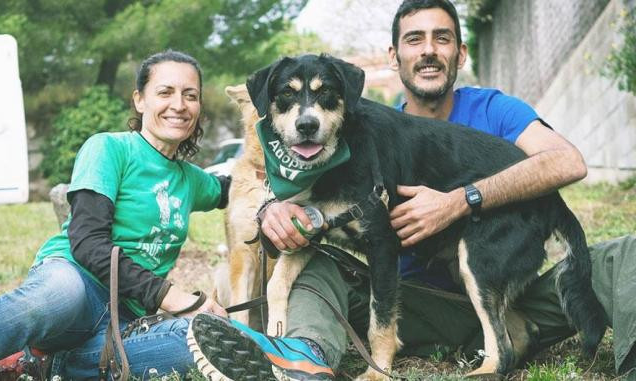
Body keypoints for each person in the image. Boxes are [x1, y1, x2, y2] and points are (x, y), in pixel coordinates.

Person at [188, 0, 636, 379]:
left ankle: (551, 340)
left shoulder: (495, 110)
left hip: (509, 289)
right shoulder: (357, 139)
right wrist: (273, 212)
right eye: (415, 40)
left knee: (628, 253)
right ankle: (304, 357)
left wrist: (460, 201)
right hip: (417, 307)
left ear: (460, 53)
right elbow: (292, 205)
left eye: (441, 38)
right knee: (314, 265)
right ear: (393, 55)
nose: (428, 51)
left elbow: (568, 161)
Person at [0, 49, 229, 380]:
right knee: (55, 298)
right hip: (76, 283)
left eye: (190, 95)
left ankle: (44, 364)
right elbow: (89, 243)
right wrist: (170, 295)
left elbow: (235, 188)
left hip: (124, 320)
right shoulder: (110, 148)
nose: (179, 104)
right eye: (165, 92)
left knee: (195, 343)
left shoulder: (192, 180)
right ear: (139, 100)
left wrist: (274, 202)